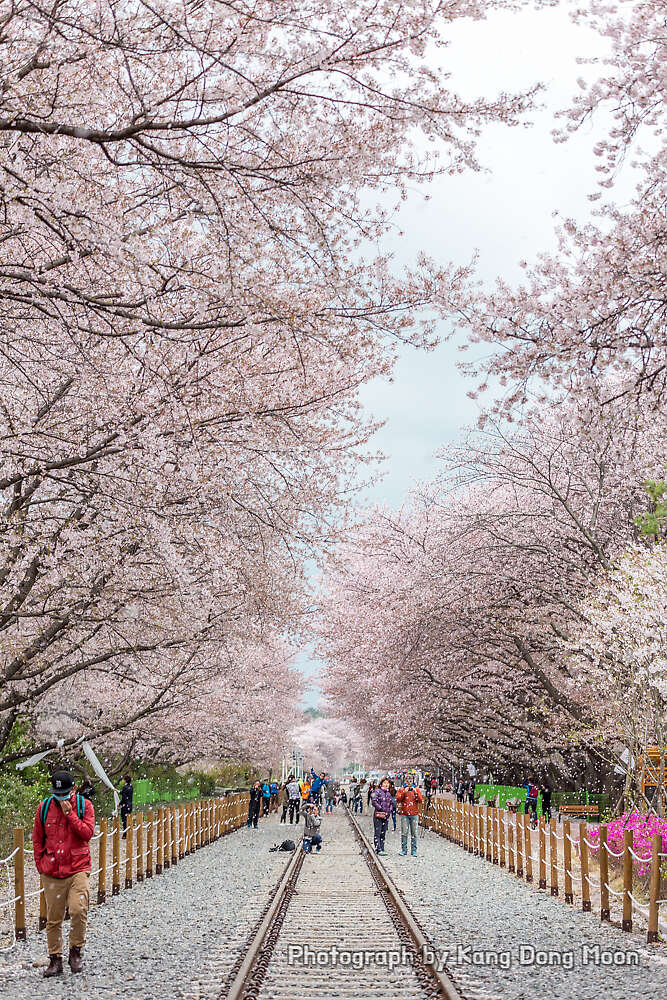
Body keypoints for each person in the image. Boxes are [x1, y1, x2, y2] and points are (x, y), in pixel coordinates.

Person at [33, 770, 95, 976]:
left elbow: (87, 833)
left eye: (64, 793)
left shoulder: (84, 806)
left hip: (78, 867)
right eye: (57, 793)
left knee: (78, 909)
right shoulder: (43, 808)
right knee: (53, 918)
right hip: (51, 870)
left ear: (74, 789)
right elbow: (37, 839)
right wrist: (40, 865)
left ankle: (75, 951)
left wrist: (70, 815)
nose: (60, 797)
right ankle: (55, 959)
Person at [396, 775, 423, 857]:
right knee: (404, 833)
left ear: (413, 781)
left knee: (414, 833)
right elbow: (398, 799)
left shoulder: (416, 789)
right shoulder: (402, 789)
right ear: (405, 781)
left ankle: (414, 850)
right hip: (404, 814)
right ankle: (404, 850)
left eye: (410, 781)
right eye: (407, 781)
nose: (409, 783)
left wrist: (416, 793)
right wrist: (404, 792)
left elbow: (420, 800)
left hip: (414, 814)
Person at [371, 777, 393, 856]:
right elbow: (373, 801)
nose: (386, 784)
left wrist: (389, 810)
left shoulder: (388, 793)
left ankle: (382, 848)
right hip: (378, 815)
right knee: (378, 832)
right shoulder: (378, 792)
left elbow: (391, 803)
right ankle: (378, 848)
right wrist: (380, 808)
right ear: (381, 784)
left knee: (383, 832)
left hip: (386, 816)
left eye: (387, 783)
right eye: (385, 783)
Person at [119, 773, 133, 838]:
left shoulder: (125, 787)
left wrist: (120, 804)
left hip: (125, 806)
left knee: (124, 820)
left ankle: (125, 834)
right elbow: (125, 793)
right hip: (130, 805)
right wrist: (119, 791)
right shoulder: (131, 787)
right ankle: (129, 833)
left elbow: (124, 797)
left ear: (125, 780)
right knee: (129, 819)